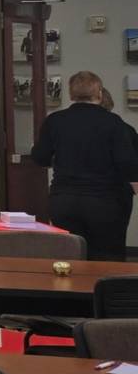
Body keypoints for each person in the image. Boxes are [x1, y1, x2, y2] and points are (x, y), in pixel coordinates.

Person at [32, 70, 138, 258]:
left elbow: (40, 158)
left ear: (71, 94)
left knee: (68, 256)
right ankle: (102, 288)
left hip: (63, 200)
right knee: (107, 257)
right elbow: (127, 164)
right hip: (104, 202)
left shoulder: (55, 121)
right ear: (98, 93)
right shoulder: (114, 123)